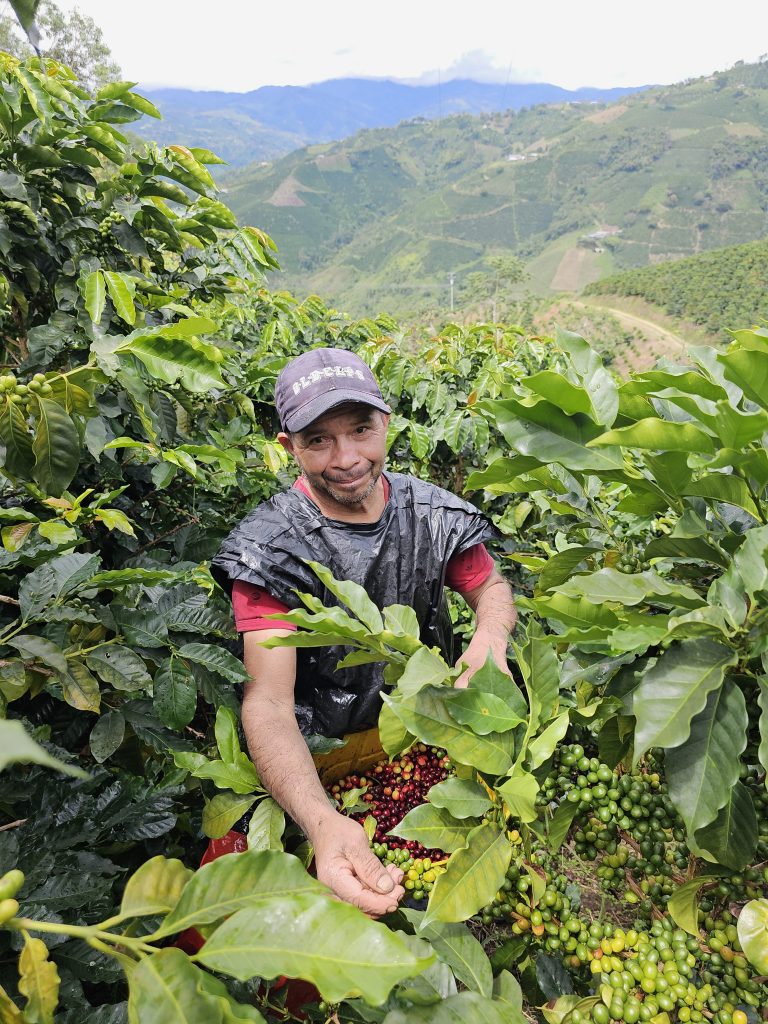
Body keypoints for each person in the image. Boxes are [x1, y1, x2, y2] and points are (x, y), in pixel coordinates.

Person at [211, 347, 517, 916]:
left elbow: (490, 589)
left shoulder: (431, 515)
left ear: (386, 424)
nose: (348, 457)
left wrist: (488, 640)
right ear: (289, 449)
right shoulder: (270, 551)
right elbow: (270, 704)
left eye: (361, 430)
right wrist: (324, 821)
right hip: (314, 754)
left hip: (420, 738)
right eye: (319, 440)